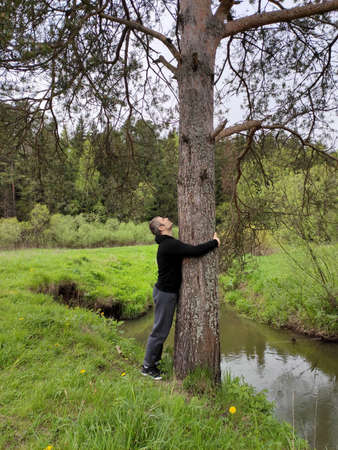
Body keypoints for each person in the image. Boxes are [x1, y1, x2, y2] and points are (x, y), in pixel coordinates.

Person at [141, 216, 220, 380]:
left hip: (165, 293)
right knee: (159, 332)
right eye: (163, 219)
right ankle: (147, 367)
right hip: (165, 294)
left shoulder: (168, 244)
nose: (167, 218)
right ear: (161, 227)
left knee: (160, 330)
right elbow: (195, 251)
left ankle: (153, 363)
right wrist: (214, 242)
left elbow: (182, 254)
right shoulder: (169, 244)